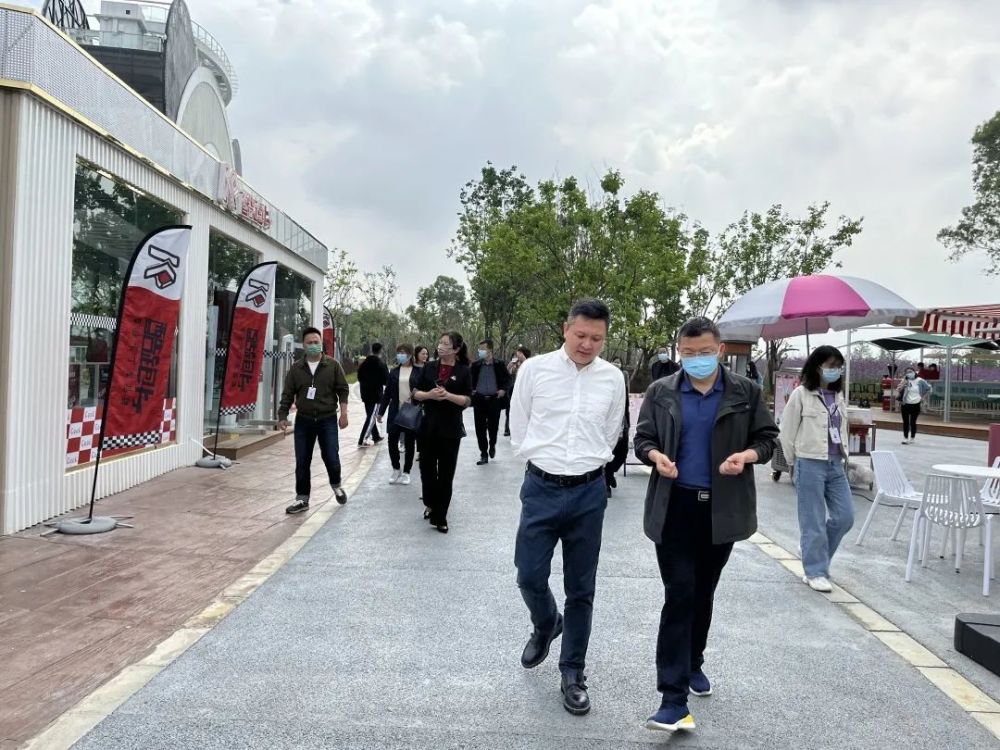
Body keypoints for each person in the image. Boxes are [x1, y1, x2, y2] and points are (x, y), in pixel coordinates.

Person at [633, 316, 778, 734]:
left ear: (720, 350)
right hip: (674, 507)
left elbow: (767, 439)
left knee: (703, 592)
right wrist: (655, 457)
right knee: (679, 593)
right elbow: (643, 439)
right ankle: (672, 699)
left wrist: (746, 457)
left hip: (721, 510)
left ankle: (694, 660)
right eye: (688, 353)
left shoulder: (745, 392)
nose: (697, 359)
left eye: (704, 352)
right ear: (680, 351)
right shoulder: (662, 392)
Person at [509, 299, 626, 717]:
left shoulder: (613, 379)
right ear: (565, 329)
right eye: (581, 335)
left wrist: (586, 466)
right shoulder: (535, 370)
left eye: (597, 338)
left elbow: (612, 433)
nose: (588, 344)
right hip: (541, 487)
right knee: (529, 573)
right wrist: (542, 462)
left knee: (582, 588)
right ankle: (545, 622)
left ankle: (572, 673)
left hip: (588, 493)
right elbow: (518, 425)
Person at [778, 345, 853, 598]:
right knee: (813, 521)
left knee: (845, 517)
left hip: (835, 464)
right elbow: (787, 432)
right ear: (817, 366)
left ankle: (813, 554)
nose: (835, 370)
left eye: (838, 366)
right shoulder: (801, 394)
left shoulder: (839, 395)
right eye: (830, 365)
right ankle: (815, 571)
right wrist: (791, 463)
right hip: (809, 462)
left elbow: (841, 429)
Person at [278, 327, 351, 513]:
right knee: (302, 460)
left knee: (331, 456)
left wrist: (344, 413)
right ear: (303, 345)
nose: (313, 345)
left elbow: (343, 389)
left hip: (327, 419)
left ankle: (336, 485)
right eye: (309, 343)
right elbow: (287, 394)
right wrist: (282, 416)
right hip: (304, 420)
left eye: (316, 342)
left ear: (321, 343)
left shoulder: (332, 365)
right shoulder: (296, 369)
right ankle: (302, 499)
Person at [412, 332, 473, 533]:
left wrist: (448, 396)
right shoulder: (429, 367)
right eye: (439, 343)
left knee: (446, 475)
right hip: (427, 427)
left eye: (445, 344)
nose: (440, 346)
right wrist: (429, 395)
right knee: (427, 471)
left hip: (451, 430)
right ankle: (430, 501)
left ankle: (441, 516)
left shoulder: (464, 371)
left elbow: (467, 400)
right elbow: (415, 394)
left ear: (455, 349)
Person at [378, 344, 419, 485]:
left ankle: (407, 472)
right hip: (395, 411)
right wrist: (381, 412)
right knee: (392, 441)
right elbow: (387, 393)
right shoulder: (394, 372)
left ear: (410, 354)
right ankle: (396, 469)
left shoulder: (418, 371)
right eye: (399, 352)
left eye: (403, 352)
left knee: (409, 442)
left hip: (411, 411)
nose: (400, 355)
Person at [471, 338, 511, 465]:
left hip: (495, 400)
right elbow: (469, 380)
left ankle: (492, 444)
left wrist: (503, 390)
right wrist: (472, 390)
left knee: (493, 428)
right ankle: (483, 453)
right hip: (480, 400)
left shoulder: (499, 364)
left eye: (483, 349)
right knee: (480, 428)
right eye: (480, 349)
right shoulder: (476, 365)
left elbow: (508, 380)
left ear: (490, 350)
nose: (480, 351)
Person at [605, 357, 631, 496]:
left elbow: (625, 405)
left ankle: (611, 473)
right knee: (609, 452)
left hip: (622, 423)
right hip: (606, 424)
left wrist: (627, 422)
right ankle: (606, 481)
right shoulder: (603, 384)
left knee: (622, 453)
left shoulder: (623, 383)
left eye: (618, 362)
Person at [357, 342, 389, 447]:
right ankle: (363, 439)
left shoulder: (364, 363)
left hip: (365, 394)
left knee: (370, 415)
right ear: (381, 351)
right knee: (371, 417)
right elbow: (386, 381)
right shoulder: (381, 364)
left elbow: (359, 377)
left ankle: (375, 436)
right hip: (376, 395)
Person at [898, 365, 932, 444]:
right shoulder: (905, 380)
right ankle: (905, 438)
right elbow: (899, 390)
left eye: (910, 372)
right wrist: (904, 383)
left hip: (916, 404)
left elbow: (929, 388)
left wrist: (922, 397)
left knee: (913, 422)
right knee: (905, 422)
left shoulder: (920, 380)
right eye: (907, 372)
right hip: (905, 404)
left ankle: (912, 437)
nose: (909, 373)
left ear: (914, 372)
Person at [504, 346, 531, 437]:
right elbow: (508, 372)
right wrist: (513, 364)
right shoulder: (514, 363)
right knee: (510, 409)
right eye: (517, 353)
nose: (518, 355)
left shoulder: (529, 363)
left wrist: (524, 361)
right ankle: (508, 429)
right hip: (513, 389)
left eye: (519, 353)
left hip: (526, 390)